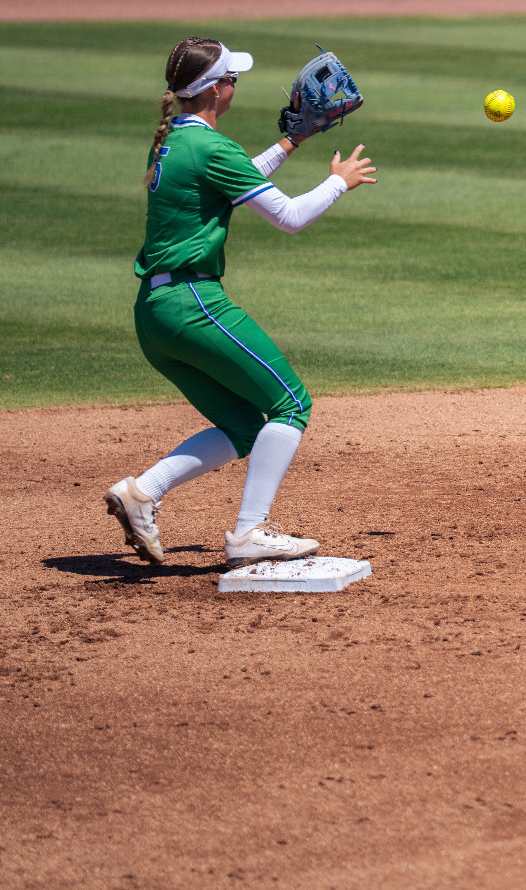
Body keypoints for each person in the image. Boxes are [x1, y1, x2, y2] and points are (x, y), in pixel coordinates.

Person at [104, 37, 375, 570]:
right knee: (292, 405)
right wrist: (337, 183)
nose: (236, 86)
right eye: (233, 78)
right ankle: (250, 532)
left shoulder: (176, 142)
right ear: (216, 90)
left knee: (244, 426)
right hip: (193, 304)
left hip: (156, 317)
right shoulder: (211, 148)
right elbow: (289, 216)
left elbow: (232, 178)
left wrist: (291, 141)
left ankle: (141, 493)